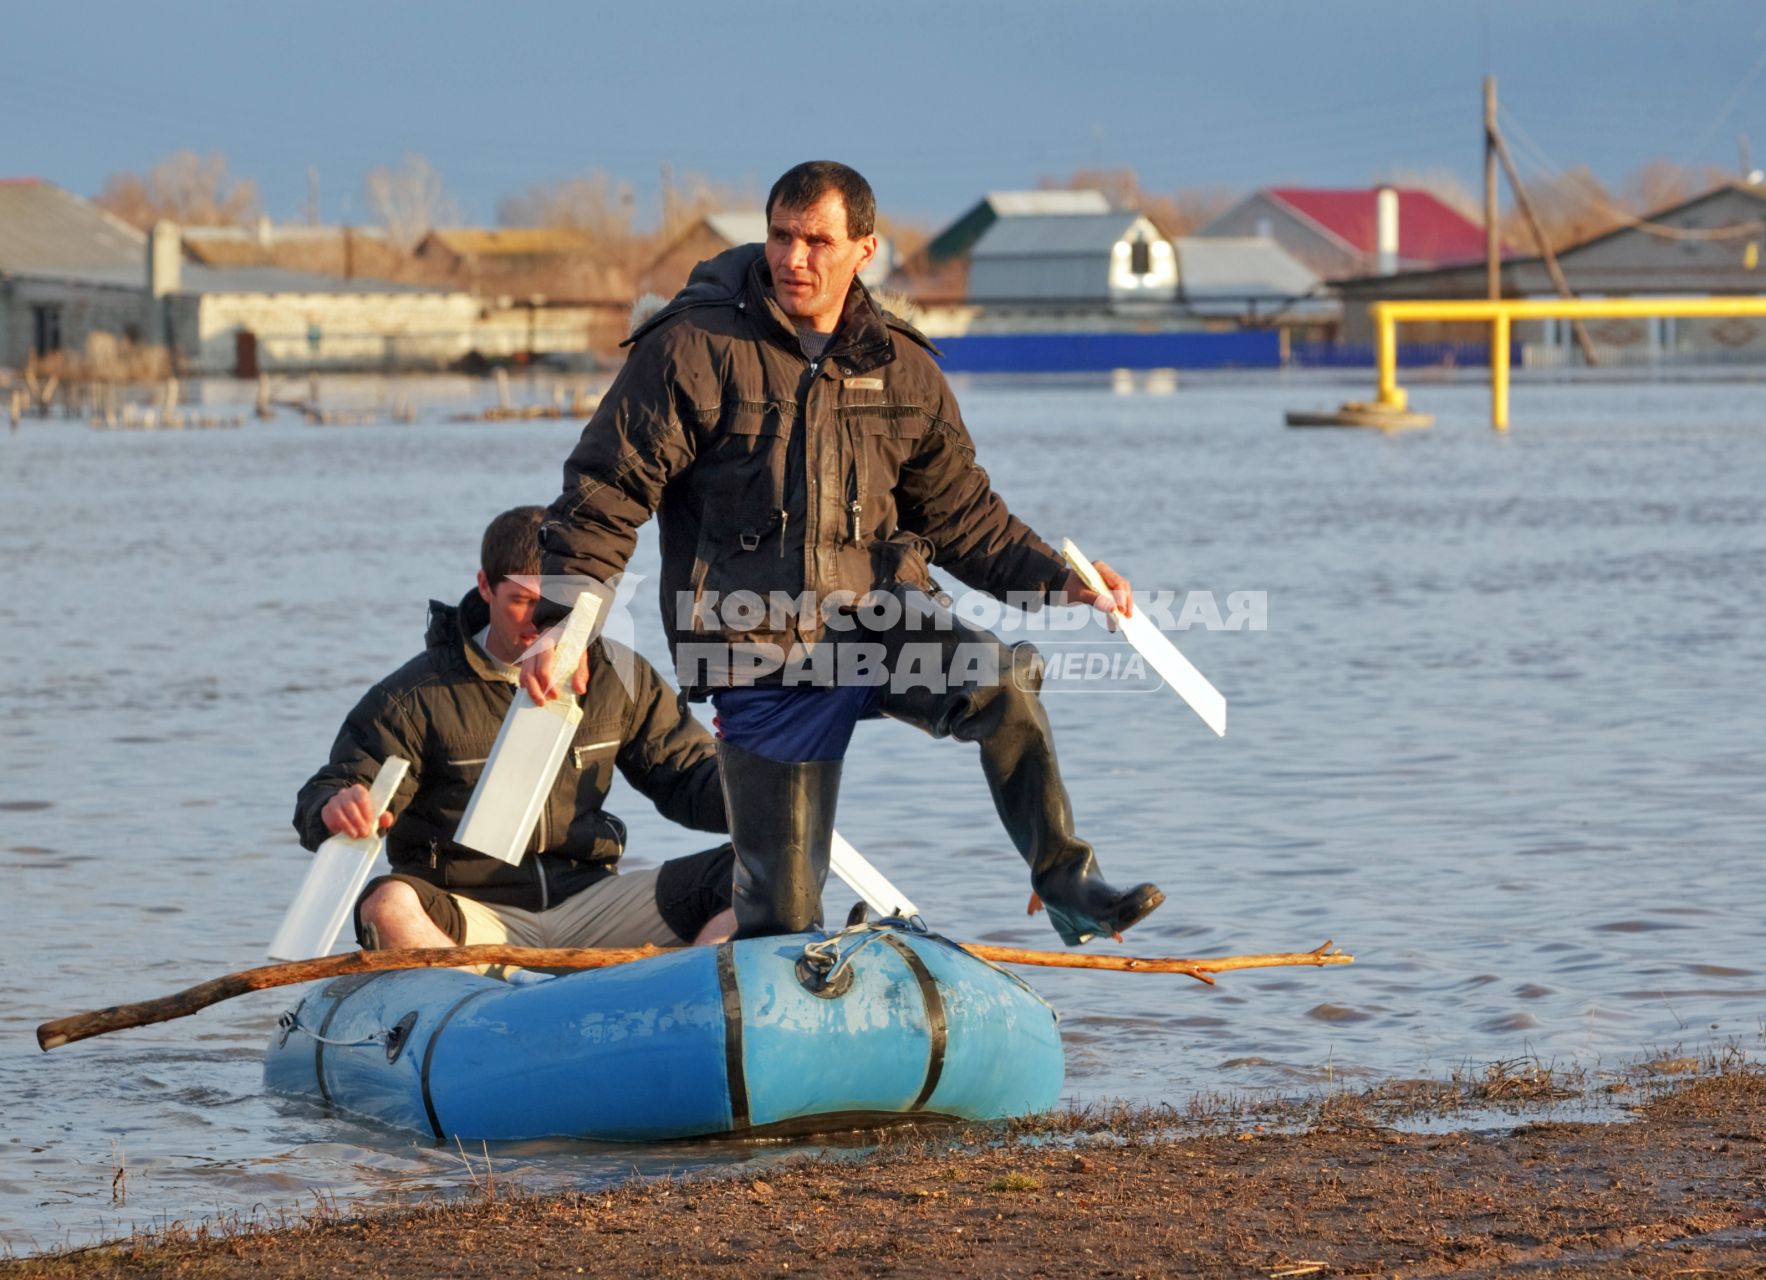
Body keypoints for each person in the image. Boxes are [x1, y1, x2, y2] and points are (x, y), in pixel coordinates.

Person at [525, 161, 1163, 946]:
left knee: (1001, 680)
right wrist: (569, 621)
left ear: (864, 248)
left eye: (817, 240)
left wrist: (1064, 582)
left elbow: (963, 515)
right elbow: (606, 489)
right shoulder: (692, 347)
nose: (794, 258)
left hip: (883, 621)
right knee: (783, 919)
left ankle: (1066, 880)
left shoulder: (904, 366)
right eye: (781, 236)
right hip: (754, 650)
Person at [293, 506, 736, 957]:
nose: (537, 623)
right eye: (521, 601)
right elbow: (329, 788)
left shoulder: (618, 676)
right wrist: (334, 807)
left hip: (589, 901)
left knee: (759, 876)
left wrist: (777, 791)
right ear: (485, 586)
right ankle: (482, 1006)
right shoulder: (412, 698)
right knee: (386, 903)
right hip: (467, 912)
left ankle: (694, 999)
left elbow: (689, 776)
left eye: (551, 606)